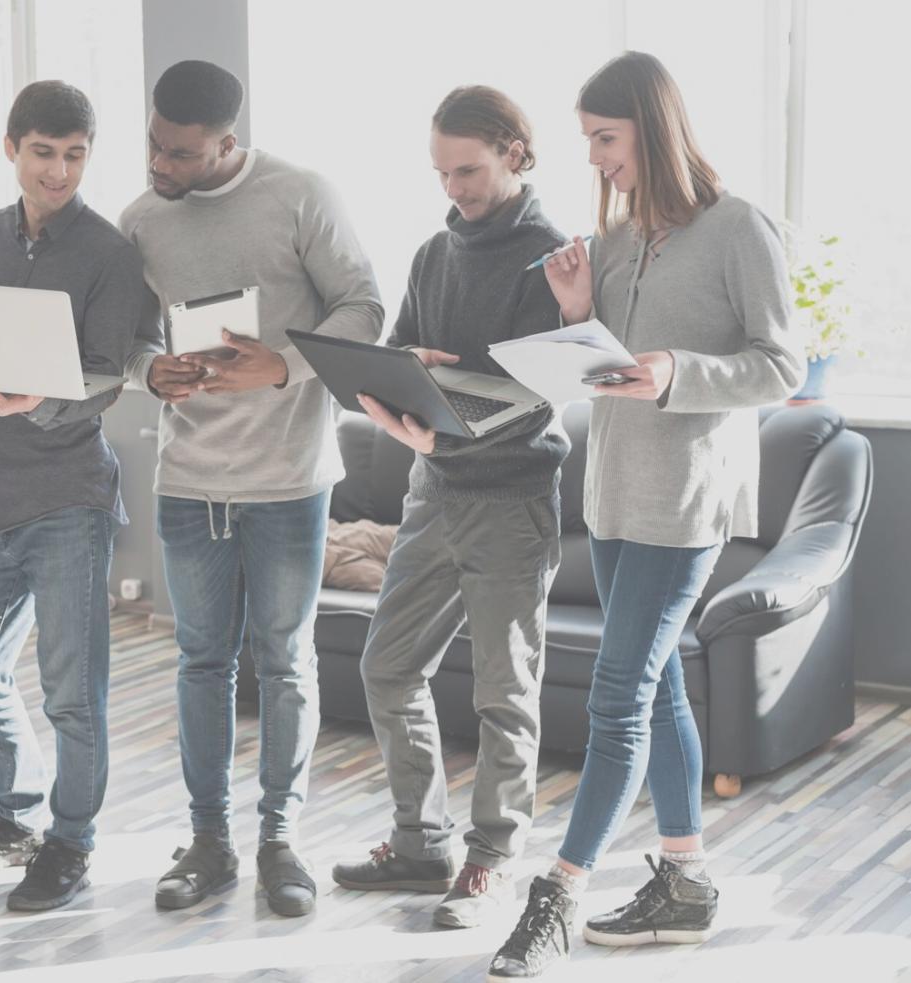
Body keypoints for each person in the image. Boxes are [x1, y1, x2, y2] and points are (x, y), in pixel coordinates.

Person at [488, 51, 805, 981]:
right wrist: (580, 314)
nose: (591, 157)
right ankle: (684, 879)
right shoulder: (617, 237)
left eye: (604, 138)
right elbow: (607, 366)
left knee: (617, 693)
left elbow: (779, 366)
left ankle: (556, 893)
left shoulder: (739, 227)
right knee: (656, 686)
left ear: (651, 129)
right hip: (615, 484)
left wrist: (677, 372)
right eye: (586, 139)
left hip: (686, 497)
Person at [121, 60, 384, 918]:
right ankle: (208, 840)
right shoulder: (140, 218)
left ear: (227, 143)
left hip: (288, 480)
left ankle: (280, 840)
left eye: (182, 154)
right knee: (200, 662)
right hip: (188, 479)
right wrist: (144, 370)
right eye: (155, 145)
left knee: (283, 662)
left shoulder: (300, 194)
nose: (162, 165)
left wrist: (284, 363)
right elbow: (120, 335)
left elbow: (363, 307)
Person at [329, 86, 569, 930]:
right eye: (440, 172)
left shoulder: (554, 257)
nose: (454, 188)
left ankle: (492, 862)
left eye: (467, 169)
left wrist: (447, 418)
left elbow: (541, 394)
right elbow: (399, 347)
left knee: (505, 695)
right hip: (432, 492)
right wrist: (399, 370)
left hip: (509, 500)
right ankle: (419, 838)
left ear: (514, 152)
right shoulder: (434, 251)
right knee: (387, 667)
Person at [0, 80, 160, 912]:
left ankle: (70, 842)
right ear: (11, 148)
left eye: (73, 156)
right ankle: (19, 810)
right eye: (43, 153)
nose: (58, 171)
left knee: (72, 690)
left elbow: (107, 369)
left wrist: (39, 400)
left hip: (69, 496)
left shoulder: (107, 251)